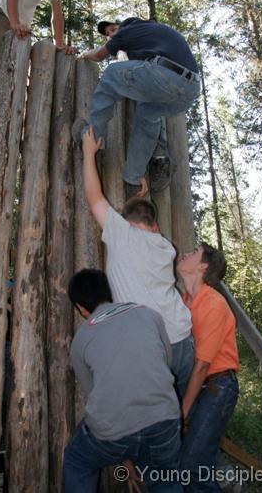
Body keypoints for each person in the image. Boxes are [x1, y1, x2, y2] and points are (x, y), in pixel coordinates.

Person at [82, 127, 194, 398]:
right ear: (155, 226)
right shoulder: (165, 247)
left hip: (152, 348)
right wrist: (139, 199)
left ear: (126, 222)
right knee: (175, 413)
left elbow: (94, 197)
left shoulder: (122, 237)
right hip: (183, 341)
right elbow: (135, 222)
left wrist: (88, 154)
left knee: (153, 419)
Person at [64, 268, 183, 492]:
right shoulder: (149, 315)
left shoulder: (81, 340)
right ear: (108, 292)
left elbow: (96, 396)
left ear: (80, 308)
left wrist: (123, 450)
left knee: (77, 461)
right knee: (165, 480)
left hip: (112, 432)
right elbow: (165, 365)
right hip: (164, 420)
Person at [77, 17, 200, 196]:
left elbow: (98, 55)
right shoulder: (152, 35)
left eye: (113, 29)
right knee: (147, 113)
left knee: (111, 73)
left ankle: (92, 137)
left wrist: (83, 55)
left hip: (167, 76)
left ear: (122, 26)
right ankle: (133, 176)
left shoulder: (128, 31)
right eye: (108, 34)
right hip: (189, 92)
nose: (111, 35)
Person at [177, 243, 239, 492]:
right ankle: (227, 482)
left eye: (192, 253)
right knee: (198, 459)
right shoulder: (183, 302)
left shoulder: (213, 303)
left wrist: (183, 411)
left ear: (203, 266)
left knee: (191, 469)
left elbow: (202, 365)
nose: (184, 253)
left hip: (218, 387)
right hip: (200, 388)